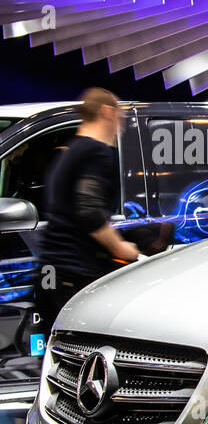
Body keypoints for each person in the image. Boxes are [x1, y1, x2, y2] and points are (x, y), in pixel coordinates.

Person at [34, 88, 139, 332]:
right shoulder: (96, 152)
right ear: (107, 112)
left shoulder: (69, 152)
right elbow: (89, 208)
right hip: (76, 275)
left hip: (50, 272)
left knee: (57, 352)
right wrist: (121, 248)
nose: (120, 125)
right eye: (120, 116)